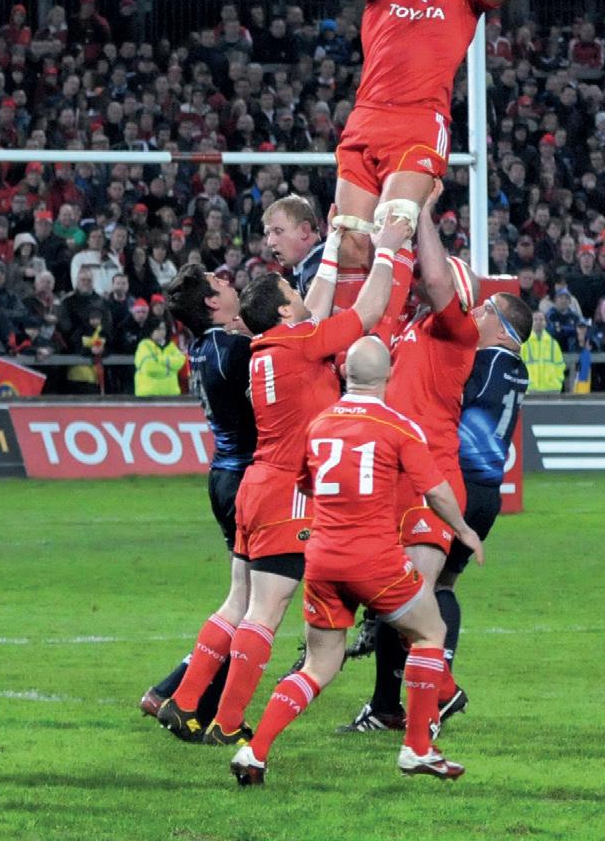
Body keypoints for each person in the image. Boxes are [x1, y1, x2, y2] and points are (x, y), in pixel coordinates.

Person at [156, 215, 410, 743]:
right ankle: (227, 724)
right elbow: (365, 312)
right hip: (286, 491)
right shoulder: (291, 344)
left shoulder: (257, 349)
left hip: (253, 484)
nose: (301, 297)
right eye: (292, 295)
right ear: (283, 314)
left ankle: (183, 701)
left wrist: (333, 248)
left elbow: (305, 312)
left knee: (239, 601)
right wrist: (386, 249)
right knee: (265, 612)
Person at [230, 337, 482, 786]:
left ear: (346, 374)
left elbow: (306, 484)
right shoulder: (399, 426)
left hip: (322, 559)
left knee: (319, 666)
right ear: (389, 375)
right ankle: (417, 747)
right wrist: (463, 530)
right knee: (430, 632)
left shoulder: (319, 424)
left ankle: (255, 751)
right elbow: (434, 489)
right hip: (374, 558)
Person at [330, 0, 520, 301]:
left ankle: (384, 332)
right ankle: (352, 337)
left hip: (419, 123)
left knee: (393, 225)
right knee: (351, 242)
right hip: (367, 119)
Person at [343, 198, 483, 732]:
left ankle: (433, 708)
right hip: (392, 480)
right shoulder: (409, 328)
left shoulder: (457, 333)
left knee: (411, 602)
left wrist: (421, 212)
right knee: (392, 601)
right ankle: (406, 704)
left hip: (430, 480)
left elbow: (437, 278)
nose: (427, 279)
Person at [140, 265, 255, 726]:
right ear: (211, 302)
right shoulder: (234, 349)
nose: (229, 283)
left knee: (247, 597)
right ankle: (183, 694)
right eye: (220, 283)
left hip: (223, 476)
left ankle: (187, 696)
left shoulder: (204, 349)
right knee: (253, 602)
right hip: (248, 481)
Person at [436, 292, 530, 668]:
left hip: (457, 488)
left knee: (415, 585)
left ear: (504, 332)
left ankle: (413, 678)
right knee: (443, 585)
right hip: (487, 497)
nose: (476, 312)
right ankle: (442, 672)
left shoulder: (485, 361)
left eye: (487, 310)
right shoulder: (518, 370)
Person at [261, 195, 324, 296]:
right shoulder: (308, 268)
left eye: (278, 231)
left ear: (304, 230)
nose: (270, 242)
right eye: (268, 234)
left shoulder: (320, 270)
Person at [132, 319, 185, 397]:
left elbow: (180, 361)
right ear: (151, 330)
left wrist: (159, 359)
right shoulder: (144, 346)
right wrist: (170, 369)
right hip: (147, 395)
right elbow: (149, 368)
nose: (162, 332)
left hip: (171, 394)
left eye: (163, 329)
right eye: (158, 329)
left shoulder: (171, 346)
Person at [522, 310, 565, 392]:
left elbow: (560, 365)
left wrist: (558, 381)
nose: (539, 322)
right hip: (530, 389)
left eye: (541, 319)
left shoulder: (553, 343)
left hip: (551, 389)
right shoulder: (524, 343)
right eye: (535, 319)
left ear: (545, 323)